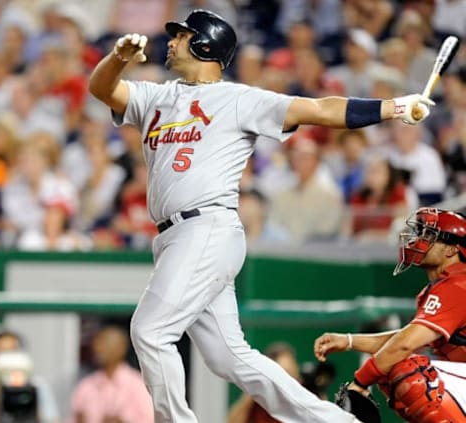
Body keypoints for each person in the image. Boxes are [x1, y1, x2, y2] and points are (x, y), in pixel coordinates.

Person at [88, 8, 434, 422]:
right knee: (229, 357)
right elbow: (102, 88)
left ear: (204, 44)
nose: (173, 40)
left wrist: (395, 108)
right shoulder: (156, 96)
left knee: (150, 330)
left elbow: (320, 109)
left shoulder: (238, 99)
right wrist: (118, 57)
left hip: (205, 227)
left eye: (182, 35)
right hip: (174, 237)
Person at [314, 207, 466, 422]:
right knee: (390, 364)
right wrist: (348, 341)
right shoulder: (449, 285)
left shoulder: (458, 285)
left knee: (411, 372)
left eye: (430, 235)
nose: (419, 239)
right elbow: (404, 340)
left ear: (452, 250)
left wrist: (359, 382)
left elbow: (404, 344)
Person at [70, 324, 153, 423]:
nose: (98, 348)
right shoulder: (86, 386)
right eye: (97, 343)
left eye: (104, 343)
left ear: (121, 348)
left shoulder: (139, 385)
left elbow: (151, 420)